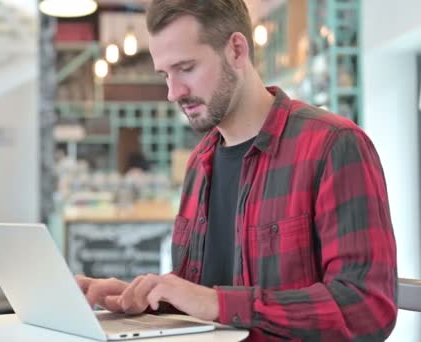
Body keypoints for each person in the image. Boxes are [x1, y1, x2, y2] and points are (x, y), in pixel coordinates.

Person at [76, 0, 398, 340]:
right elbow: (204, 308)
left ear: (236, 50)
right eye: (165, 75)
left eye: (186, 68)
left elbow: (366, 310)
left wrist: (218, 302)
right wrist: (139, 299)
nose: (173, 93)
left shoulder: (333, 145)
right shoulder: (200, 163)